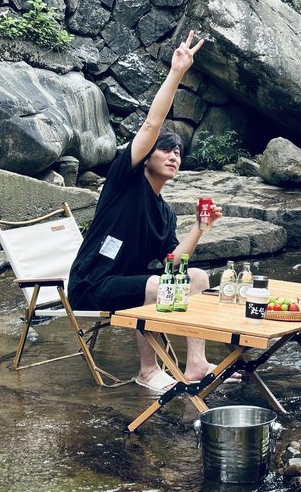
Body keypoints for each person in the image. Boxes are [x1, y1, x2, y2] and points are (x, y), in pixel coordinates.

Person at [68, 31, 240, 393]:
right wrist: (177, 72)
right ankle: (148, 371)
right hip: (92, 285)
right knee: (156, 286)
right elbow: (151, 124)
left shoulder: (164, 213)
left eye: (178, 153)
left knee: (196, 278)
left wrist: (200, 227)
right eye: (166, 150)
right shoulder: (125, 181)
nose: (174, 156)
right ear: (146, 157)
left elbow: (173, 263)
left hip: (127, 284)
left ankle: (195, 364)